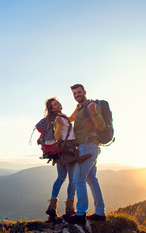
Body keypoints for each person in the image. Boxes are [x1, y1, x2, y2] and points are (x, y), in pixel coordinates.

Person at [63, 84, 106, 225]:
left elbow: (101, 125)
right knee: (91, 179)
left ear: (84, 92)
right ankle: (100, 213)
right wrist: (58, 116)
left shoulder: (90, 105)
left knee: (78, 179)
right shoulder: (80, 108)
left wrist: (94, 112)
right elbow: (70, 119)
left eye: (79, 92)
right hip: (89, 147)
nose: (77, 95)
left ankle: (80, 214)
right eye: (74, 93)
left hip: (87, 147)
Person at [44, 97, 78, 222]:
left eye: (58, 102)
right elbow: (57, 136)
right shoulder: (59, 118)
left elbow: (72, 118)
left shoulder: (62, 117)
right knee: (72, 179)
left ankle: (52, 207)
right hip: (67, 150)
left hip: (60, 152)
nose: (58, 104)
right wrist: (58, 126)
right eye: (55, 104)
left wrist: (77, 107)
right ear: (52, 109)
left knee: (61, 177)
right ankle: (69, 209)